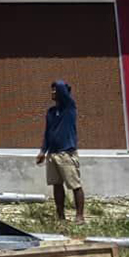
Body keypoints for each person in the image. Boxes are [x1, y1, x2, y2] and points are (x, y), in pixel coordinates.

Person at [35, 79, 84, 224]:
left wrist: (57, 84)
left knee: (75, 185)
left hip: (66, 154)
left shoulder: (69, 107)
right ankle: (60, 216)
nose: (53, 92)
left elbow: (62, 87)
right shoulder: (50, 112)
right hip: (52, 154)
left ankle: (79, 215)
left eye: (55, 90)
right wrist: (43, 151)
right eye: (52, 89)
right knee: (57, 185)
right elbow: (47, 133)